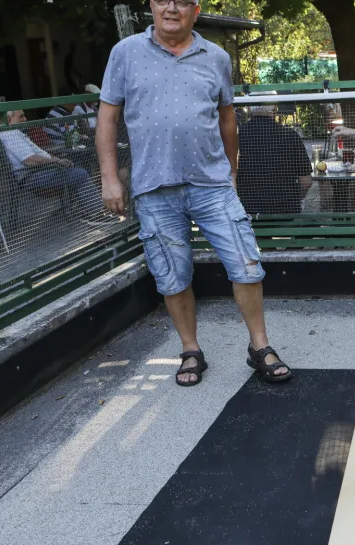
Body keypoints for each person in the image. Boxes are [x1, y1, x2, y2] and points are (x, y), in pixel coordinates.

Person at [96, 0, 292, 386]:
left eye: (183, 1)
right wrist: (109, 177)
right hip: (154, 187)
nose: (172, 8)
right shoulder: (125, 53)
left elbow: (227, 117)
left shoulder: (216, 57)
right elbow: (107, 116)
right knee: (172, 276)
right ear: (152, 5)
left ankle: (259, 346)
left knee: (246, 264)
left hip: (211, 184)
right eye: (164, 0)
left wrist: (232, 173)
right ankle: (190, 351)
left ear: (196, 10)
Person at [237, 93, 312, 215]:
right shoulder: (290, 136)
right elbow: (306, 182)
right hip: (286, 210)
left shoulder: (236, 137)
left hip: (248, 211)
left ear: (249, 108)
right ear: (274, 109)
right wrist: (297, 199)